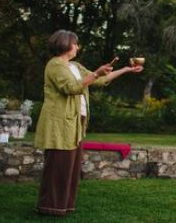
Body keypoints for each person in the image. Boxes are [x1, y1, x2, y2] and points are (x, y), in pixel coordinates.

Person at [34, 29, 143, 216]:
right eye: (75, 43)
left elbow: (100, 81)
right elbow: (71, 87)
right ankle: (49, 207)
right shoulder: (55, 65)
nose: (77, 47)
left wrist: (125, 70)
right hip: (60, 123)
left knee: (70, 168)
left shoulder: (74, 66)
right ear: (65, 44)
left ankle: (63, 206)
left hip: (75, 122)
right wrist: (95, 73)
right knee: (58, 166)